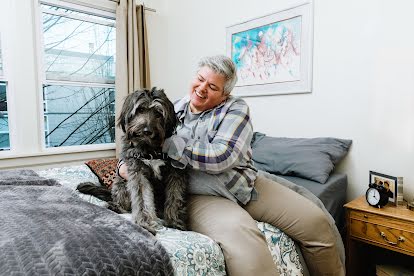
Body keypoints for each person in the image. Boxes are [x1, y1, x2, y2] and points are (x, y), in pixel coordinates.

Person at [118, 55, 345, 276]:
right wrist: (121, 165)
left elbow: (221, 156)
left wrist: (168, 143)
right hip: (201, 194)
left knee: (317, 223)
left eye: (213, 87)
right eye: (200, 78)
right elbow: (137, 145)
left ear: (225, 94)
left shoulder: (235, 109)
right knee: (246, 244)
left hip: (243, 185)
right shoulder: (172, 107)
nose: (202, 88)